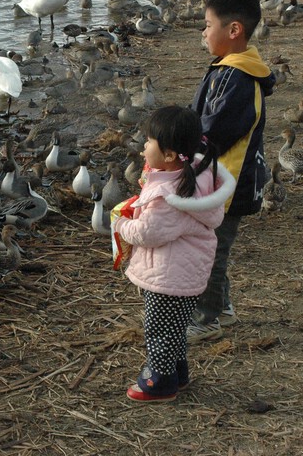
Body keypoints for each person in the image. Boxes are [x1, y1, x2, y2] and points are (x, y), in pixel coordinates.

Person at [114, 106, 235, 401]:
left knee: (158, 329)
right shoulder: (195, 178)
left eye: (149, 141)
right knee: (175, 327)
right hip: (185, 273)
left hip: (169, 276)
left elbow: (148, 233)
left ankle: (160, 381)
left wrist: (121, 223)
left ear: (169, 155)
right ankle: (178, 372)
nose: (144, 146)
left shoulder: (172, 196)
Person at [188, 0, 276, 342]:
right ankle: (222, 309)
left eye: (208, 25)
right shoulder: (238, 70)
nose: (204, 33)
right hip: (231, 179)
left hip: (225, 183)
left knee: (209, 251)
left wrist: (183, 158)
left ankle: (207, 319)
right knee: (214, 246)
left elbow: (214, 132)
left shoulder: (234, 77)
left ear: (234, 30)